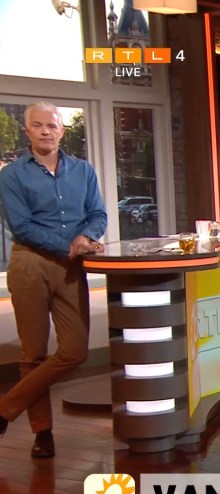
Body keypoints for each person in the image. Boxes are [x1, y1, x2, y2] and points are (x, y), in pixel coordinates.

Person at [0, 102, 107, 457]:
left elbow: (98, 214)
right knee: (33, 353)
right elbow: (22, 226)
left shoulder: (83, 170)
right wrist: (69, 245)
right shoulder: (12, 175)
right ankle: (42, 433)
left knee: (74, 350)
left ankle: (5, 409)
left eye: (52, 125)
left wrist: (87, 236)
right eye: (38, 125)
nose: (46, 131)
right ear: (27, 131)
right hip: (30, 263)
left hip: (71, 267)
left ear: (62, 130)